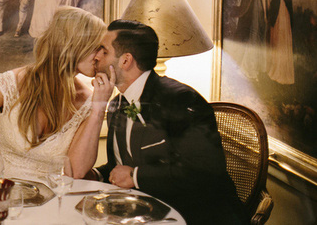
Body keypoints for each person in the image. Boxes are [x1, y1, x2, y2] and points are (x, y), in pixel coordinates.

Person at [89, 20, 246, 225]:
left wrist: (136, 176)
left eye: (103, 51)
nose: (96, 56)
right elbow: (120, 166)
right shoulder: (117, 105)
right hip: (144, 215)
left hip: (198, 216)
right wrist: (96, 175)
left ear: (125, 60)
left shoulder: (181, 100)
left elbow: (204, 173)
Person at [0, 6, 114, 182]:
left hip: (50, 200)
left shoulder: (89, 100)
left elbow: (76, 171)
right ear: (75, 46)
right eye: (97, 48)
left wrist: (99, 108)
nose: (100, 57)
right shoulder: (13, 82)